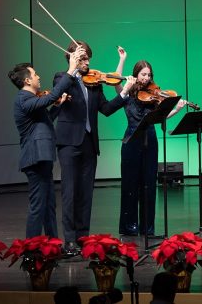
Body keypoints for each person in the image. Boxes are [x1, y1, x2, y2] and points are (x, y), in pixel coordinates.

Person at [50, 41, 134, 255]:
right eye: (83, 58)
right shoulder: (62, 77)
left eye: (88, 58)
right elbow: (59, 92)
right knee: (69, 192)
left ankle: (82, 237)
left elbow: (105, 109)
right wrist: (73, 66)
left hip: (89, 143)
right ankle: (69, 239)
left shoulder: (94, 83)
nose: (87, 62)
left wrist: (124, 92)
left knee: (86, 193)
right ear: (73, 58)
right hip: (69, 143)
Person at [9, 48, 84, 238]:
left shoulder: (31, 99)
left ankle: (53, 245)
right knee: (38, 206)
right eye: (35, 74)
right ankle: (31, 251)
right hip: (35, 158)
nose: (38, 77)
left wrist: (58, 107)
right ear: (27, 80)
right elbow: (50, 98)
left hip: (42, 157)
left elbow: (45, 121)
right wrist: (70, 71)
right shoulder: (23, 99)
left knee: (49, 204)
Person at [114, 50, 187, 236]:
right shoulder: (127, 93)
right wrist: (122, 60)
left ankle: (148, 227)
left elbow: (161, 117)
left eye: (149, 75)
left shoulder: (154, 95)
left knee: (148, 183)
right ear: (136, 74)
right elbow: (115, 80)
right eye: (143, 74)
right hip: (131, 139)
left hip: (150, 139)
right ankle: (129, 226)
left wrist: (177, 109)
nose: (146, 78)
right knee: (130, 183)